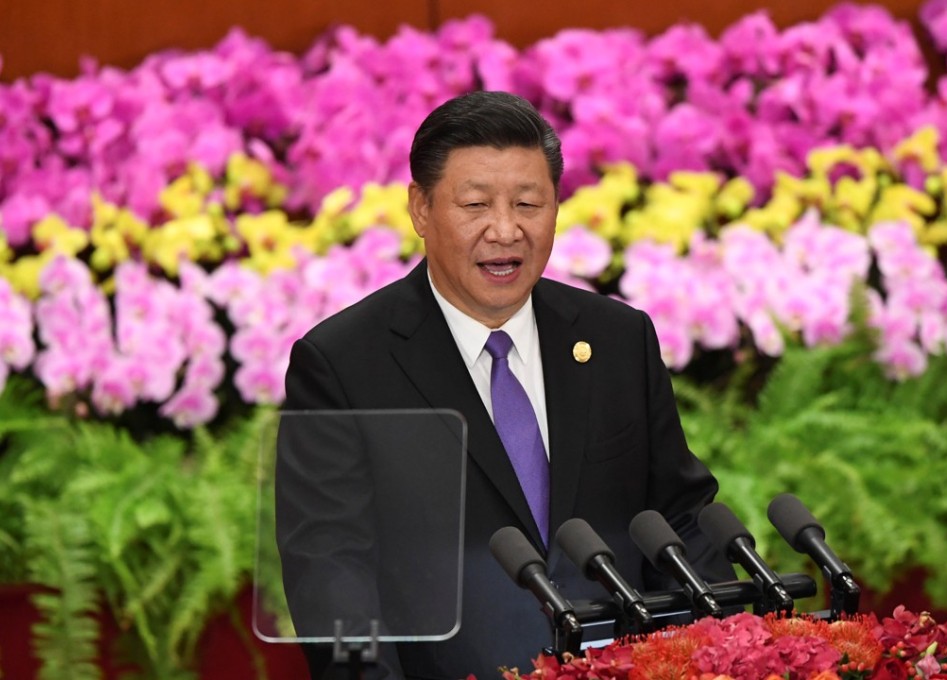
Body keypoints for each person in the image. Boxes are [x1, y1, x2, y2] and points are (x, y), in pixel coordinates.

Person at [276, 90, 735, 680]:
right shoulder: (343, 364)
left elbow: (681, 518)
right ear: (420, 210)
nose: (505, 229)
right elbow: (330, 572)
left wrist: (721, 652)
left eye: (528, 203)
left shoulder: (617, 338)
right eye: (475, 204)